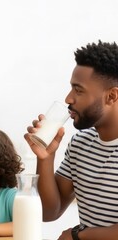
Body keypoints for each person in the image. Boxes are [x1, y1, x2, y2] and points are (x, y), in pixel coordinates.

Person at [24, 40, 118, 240]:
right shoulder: (80, 144)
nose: (68, 98)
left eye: (79, 90)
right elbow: (48, 213)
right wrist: (46, 158)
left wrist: (78, 236)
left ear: (111, 96)